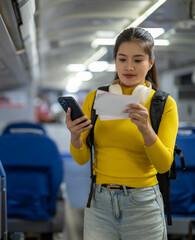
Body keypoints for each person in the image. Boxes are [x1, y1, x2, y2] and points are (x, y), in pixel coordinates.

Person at [65, 27, 178, 240]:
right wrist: (74, 137)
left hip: (143, 204)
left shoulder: (163, 104)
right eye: (122, 59)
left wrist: (145, 128)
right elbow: (81, 160)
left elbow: (164, 165)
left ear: (150, 63)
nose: (129, 67)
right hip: (99, 204)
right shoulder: (95, 98)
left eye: (138, 60)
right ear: (115, 62)